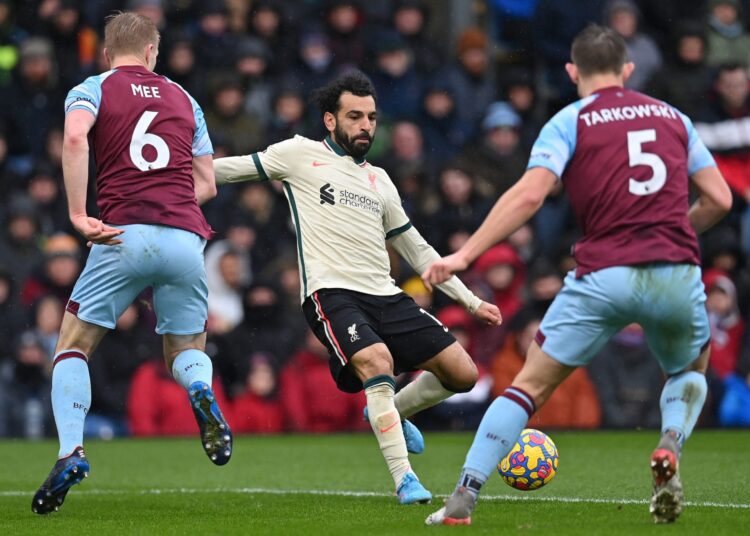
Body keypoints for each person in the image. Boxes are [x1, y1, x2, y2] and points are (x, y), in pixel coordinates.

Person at [422, 25, 732, 526]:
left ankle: (464, 495)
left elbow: (529, 194)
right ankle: (670, 442)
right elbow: (721, 198)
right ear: (627, 70)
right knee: (687, 369)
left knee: (527, 388)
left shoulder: (570, 120)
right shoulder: (674, 119)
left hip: (603, 274)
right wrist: (672, 231)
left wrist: (465, 255)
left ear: (572, 71)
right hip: (674, 270)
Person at [212, 71, 501, 504]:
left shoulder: (381, 179)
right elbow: (228, 170)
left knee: (462, 374)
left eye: (371, 117)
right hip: (331, 293)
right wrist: (166, 171)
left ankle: (389, 412)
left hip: (385, 294)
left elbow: (418, 249)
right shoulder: (297, 154)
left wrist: (471, 300)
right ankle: (405, 478)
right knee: (378, 361)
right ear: (330, 120)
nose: (366, 125)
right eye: (355, 116)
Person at [31, 12, 232, 515]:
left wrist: (78, 214)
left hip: (122, 233)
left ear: (108, 53)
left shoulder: (92, 88)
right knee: (183, 349)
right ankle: (202, 391)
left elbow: (76, 138)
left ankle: (71, 451)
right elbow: (206, 183)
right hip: (186, 237)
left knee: (73, 345)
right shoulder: (185, 98)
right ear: (151, 52)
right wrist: (170, 204)